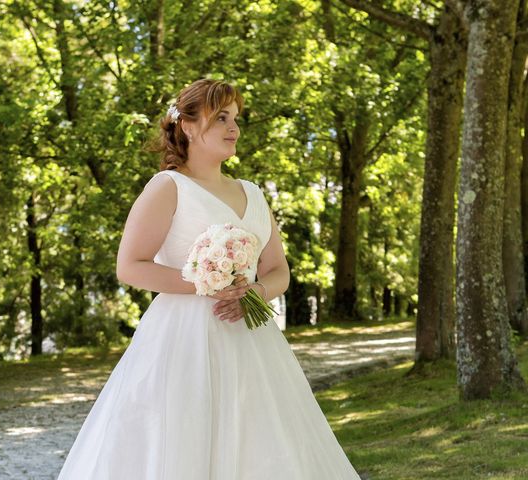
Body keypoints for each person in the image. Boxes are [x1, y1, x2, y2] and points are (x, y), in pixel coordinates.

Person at [57, 79, 361, 479]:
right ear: (186, 125)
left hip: (251, 338)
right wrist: (204, 283)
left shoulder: (252, 193)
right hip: (183, 341)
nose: (233, 127)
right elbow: (130, 265)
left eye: (235, 118)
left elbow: (278, 270)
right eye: (221, 118)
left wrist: (257, 290)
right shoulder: (168, 187)